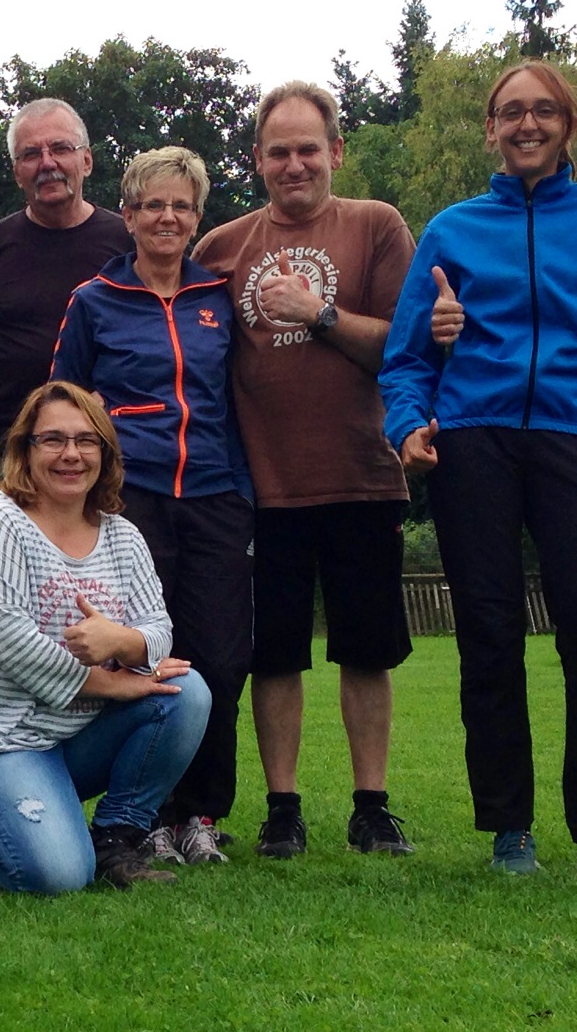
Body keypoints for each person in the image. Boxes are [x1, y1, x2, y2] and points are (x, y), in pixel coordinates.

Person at [378, 60, 577, 876]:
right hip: (474, 441)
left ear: (570, 124)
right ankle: (509, 828)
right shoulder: (451, 228)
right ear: (490, 128)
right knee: (489, 633)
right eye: (510, 112)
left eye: (543, 110)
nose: (526, 123)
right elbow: (404, 358)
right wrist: (408, 426)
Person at [191, 81, 419, 862]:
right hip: (260, 487)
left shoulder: (376, 225)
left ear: (336, 151)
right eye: (278, 151)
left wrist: (316, 312)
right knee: (274, 653)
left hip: (362, 475)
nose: (294, 164)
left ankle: (371, 806)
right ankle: (281, 807)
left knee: (367, 648)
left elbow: (405, 348)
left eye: (308, 149)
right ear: (256, 159)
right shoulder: (219, 248)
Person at [0, 380, 211, 894]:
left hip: (71, 738)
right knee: (58, 875)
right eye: (52, 439)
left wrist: (120, 641)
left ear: (105, 452)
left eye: (85, 440)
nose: (70, 454)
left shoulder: (121, 535)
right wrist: (114, 683)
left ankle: (116, 836)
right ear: (25, 450)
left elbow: (158, 630)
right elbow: (14, 646)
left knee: (185, 693)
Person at [49, 146, 255, 866]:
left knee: (221, 660)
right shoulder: (94, 298)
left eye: (182, 206)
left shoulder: (218, 298)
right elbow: (63, 402)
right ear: (128, 214)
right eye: (153, 205)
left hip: (216, 495)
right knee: (145, 657)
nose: (168, 217)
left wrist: (244, 490)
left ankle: (202, 813)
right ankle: (150, 815)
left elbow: (244, 395)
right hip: (129, 501)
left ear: (197, 217)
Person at [0, 98, 132, 507]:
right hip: (1, 451)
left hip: (96, 451)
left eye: (61, 148)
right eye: (31, 154)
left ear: (86, 160)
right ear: (17, 172)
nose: (47, 163)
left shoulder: (125, 243)